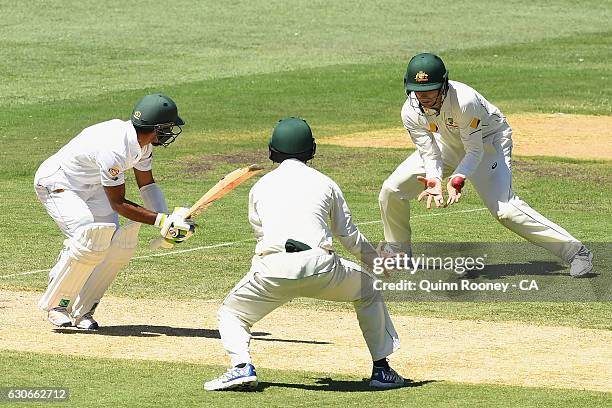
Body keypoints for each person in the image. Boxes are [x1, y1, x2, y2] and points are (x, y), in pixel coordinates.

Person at [204, 118, 403, 391]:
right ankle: (382, 370)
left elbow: (262, 237)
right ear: (312, 150)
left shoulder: (260, 187)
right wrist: (376, 261)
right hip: (321, 267)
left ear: (272, 150)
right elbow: (348, 235)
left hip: (272, 270)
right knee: (367, 289)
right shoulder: (326, 183)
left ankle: (241, 366)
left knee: (231, 313)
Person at [378, 53, 593, 277]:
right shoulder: (409, 111)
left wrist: (457, 178)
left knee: (505, 210)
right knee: (392, 189)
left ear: (443, 84)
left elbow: (474, 150)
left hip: (488, 141)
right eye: (418, 90)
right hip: (448, 142)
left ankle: (577, 252)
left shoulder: (464, 101)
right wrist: (434, 180)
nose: (424, 96)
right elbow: (429, 152)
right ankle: (398, 251)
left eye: (430, 89)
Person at [34, 94, 196, 330]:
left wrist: (168, 221)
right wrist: (162, 221)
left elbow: (147, 185)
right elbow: (118, 203)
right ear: (156, 128)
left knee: (117, 244)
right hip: (59, 183)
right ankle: (57, 305)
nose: (170, 132)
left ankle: (83, 310)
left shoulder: (143, 145)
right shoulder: (114, 148)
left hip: (93, 185)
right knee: (89, 236)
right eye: (168, 127)